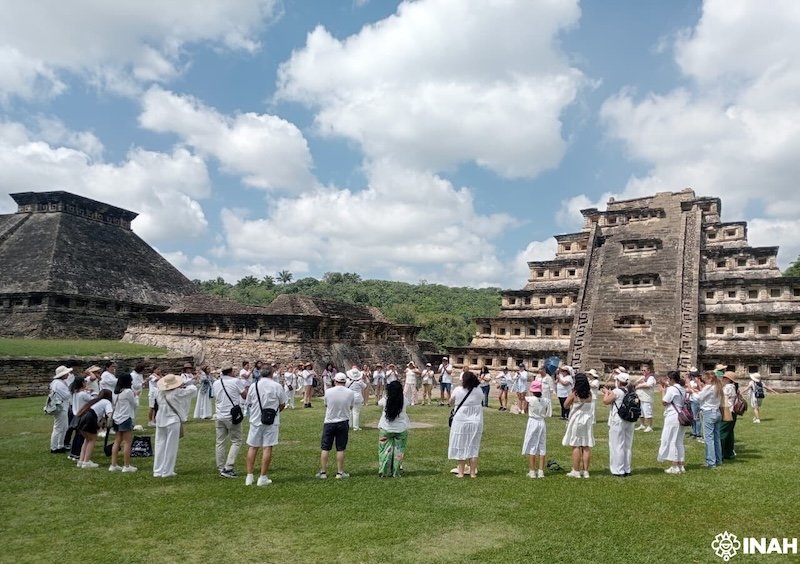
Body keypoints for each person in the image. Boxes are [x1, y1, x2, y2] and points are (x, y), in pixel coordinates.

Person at [244, 367, 286, 486]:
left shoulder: (254, 386)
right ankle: (262, 477)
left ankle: (249, 475)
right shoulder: (277, 386)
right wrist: (276, 411)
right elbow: (282, 403)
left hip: (256, 418)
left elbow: (249, 401)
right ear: (272, 374)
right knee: (267, 447)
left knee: (253, 447)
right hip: (271, 419)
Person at [153, 373, 197, 478]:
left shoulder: (159, 392)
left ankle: (158, 470)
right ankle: (167, 471)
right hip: (172, 420)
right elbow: (193, 390)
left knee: (159, 445)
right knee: (171, 446)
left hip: (160, 419)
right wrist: (186, 383)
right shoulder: (177, 392)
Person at [316, 373, 355, 479]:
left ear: (335, 381)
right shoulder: (350, 392)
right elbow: (351, 406)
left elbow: (326, 404)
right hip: (343, 421)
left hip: (329, 421)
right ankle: (340, 472)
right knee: (340, 448)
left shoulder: (328, 392)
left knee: (325, 447)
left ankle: (323, 472)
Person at [447, 371, 484, 478]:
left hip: (461, 420)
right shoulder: (479, 390)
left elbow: (450, 401)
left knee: (460, 444)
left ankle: (461, 472)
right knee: (473, 445)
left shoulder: (458, 390)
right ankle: (472, 472)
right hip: (476, 420)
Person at [213, 364, 247, 478]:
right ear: (231, 371)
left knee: (220, 441)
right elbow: (244, 395)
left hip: (219, 414)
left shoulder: (216, 383)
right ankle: (228, 467)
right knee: (236, 441)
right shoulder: (236, 381)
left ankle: (220, 466)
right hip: (231, 414)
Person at [562, 373, 594, 478]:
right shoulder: (589, 394)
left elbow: (565, 405)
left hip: (577, 420)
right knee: (586, 445)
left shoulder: (574, 394)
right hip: (587, 420)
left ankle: (576, 470)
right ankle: (586, 471)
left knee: (575, 445)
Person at [603, 371, 634, 477]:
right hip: (629, 420)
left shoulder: (617, 391)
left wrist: (607, 393)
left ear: (619, 382)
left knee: (616, 445)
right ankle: (627, 468)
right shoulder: (630, 391)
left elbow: (606, 401)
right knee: (627, 445)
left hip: (618, 419)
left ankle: (618, 469)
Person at [377, 380, 410, 477]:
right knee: (399, 451)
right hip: (401, 429)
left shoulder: (385, 399)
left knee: (384, 450)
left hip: (386, 429)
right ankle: (396, 471)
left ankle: (384, 471)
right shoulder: (404, 399)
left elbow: (379, 404)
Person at [75, 389, 113, 468]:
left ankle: (81, 460)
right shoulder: (107, 402)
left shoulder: (95, 401)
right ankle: (86, 462)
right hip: (90, 418)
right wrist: (109, 424)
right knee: (92, 440)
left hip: (83, 418)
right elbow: (109, 414)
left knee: (87, 440)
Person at [109, 373, 139, 473]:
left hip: (116, 418)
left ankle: (113, 464)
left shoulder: (115, 392)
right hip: (125, 417)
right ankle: (126, 465)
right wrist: (136, 396)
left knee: (117, 441)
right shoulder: (128, 392)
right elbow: (134, 404)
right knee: (127, 442)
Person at [658, 371, 687, 474]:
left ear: (672, 379)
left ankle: (674, 466)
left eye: (668, 379)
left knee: (672, 440)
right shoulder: (682, 388)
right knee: (679, 441)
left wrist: (662, 391)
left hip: (673, 415)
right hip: (681, 414)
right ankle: (681, 464)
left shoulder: (671, 389)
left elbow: (664, 402)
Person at [695, 371, 723, 468]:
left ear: (709, 379)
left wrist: (692, 391)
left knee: (709, 438)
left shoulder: (708, 387)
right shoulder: (718, 387)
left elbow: (699, 398)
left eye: (705, 379)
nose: (704, 381)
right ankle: (718, 459)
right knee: (716, 437)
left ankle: (711, 461)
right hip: (717, 411)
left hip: (709, 412)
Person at [522, 381, 547, 478]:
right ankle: (541, 471)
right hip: (542, 422)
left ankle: (532, 471)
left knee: (532, 444)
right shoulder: (545, 400)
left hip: (533, 421)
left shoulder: (530, 399)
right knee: (542, 445)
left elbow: (524, 409)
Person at [68, 375, 94, 461]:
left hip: (76, 415)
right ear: (82, 383)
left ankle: (73, 453)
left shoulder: (75, 393)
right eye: (85, 382)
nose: (86, 383)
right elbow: (92, 400)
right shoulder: (83, 394)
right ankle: (78, 454)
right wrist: (92, 393)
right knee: (81, 437)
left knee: (77, 435)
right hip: (83, 416)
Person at [48, 365, 73, 453]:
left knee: (64, 427)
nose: (68, 375)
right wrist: (70, 391)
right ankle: (54, 447)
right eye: (66, 373)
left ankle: (60, 445)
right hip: (60, 407)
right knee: (58, 427)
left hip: (63, 407)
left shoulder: (59, 382)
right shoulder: (58, 383)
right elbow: (66, 395)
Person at [720, 372, 739, 461]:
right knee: (729, 433)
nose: (723, 379)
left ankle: (721, 454)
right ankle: (729, 453)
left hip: (727, 411)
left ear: (728, 379)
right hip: (732, 412)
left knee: (722, 433)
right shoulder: (733, 387)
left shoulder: (727, 387)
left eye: (724, 377)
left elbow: (722, 398)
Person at [635, 364, 656, 432]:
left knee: (647, 412)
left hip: (647, 398)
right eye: (642, 370)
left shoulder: (651, 377)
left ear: (649, 370)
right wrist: (639, 382)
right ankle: (642, 425)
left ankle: (649, 426)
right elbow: (635, 383)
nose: (643, 371)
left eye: (644, 370)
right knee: (641, 413)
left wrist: (639, 385)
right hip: (640, 397)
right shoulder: (643, 377)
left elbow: (648, 385)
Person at [686, 367, 703, 439]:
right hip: (691, 399)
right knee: (692, 417)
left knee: (697, 417)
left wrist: (689, 384)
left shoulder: (699, 381)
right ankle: (694, 432)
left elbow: (700, 390)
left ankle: (698, 433)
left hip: (697, 400)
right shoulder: (691, 381)